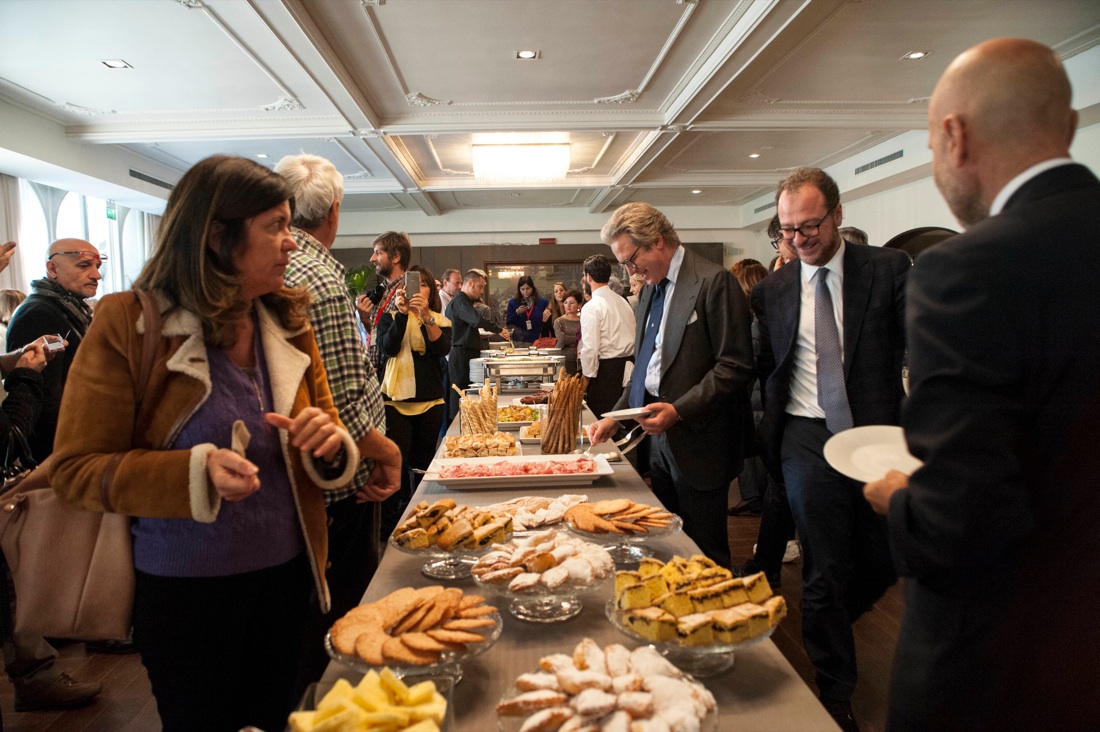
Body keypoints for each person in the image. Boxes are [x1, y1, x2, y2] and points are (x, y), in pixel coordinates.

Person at [48, 155, 372, 732]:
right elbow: (76, 469)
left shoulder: (286, 319)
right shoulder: (130, 322)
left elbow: (328, 440)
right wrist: (194, 473)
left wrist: (331, 447)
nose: (291, 244)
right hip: (186, 595)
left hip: (291, 581)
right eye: (275, 226)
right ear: (218, 235)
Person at [862, 38, 1100, 731]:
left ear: (953, 137)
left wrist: (898, 497)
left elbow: (961, 524)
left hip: (1010, 663)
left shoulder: (966, 269)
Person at [752, 167, 908, 731]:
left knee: (885, 554)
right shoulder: (771, 290)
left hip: (874, 434)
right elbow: (768, 365)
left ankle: (839, 611)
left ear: (838, 215)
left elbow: (913, 351)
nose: (799, 238)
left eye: (810, 225)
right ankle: (835, 690)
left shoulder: (887, 270)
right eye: (788, 229)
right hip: (804, 435)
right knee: (821, 561)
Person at [274, 153, 402, 693]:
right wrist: (387, 453)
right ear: (333, 212)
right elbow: (339, 407)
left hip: (309, 479)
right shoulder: (321, 278)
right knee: (344, 632)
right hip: (339, 484)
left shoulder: (286, 267)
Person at [588, 203, 753, 567]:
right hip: (658, 441)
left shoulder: (713, 281)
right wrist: (618, 415)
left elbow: (735, 366)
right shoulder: (650, 290)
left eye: (630, 260)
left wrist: (679, 411)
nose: (629, 271)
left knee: (705, 553)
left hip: (701, 439)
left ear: (657, 242)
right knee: (669, 544)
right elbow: (647, 368)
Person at [5, 239, 102, 463]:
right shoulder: (39, 313)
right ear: (53, 268)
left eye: (98, 267)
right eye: (84, 265)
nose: (96, 275)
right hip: (58, 453)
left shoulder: (66, 309)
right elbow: (46, 404)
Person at [376, 265, 451, 538]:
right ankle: (389, 527)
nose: (416, 289)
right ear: (402, 290)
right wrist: (402, 316)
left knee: (422, 464)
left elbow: (442, 350)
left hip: (430, 401)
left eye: (422, 284)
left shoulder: (440, 321)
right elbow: (388, 349)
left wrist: (426, 317)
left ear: (431, 291)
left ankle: (424, 519)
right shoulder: (390, 317)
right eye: (411, 284)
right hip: (395, 403)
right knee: (396, 464)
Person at [726, 259, 769, 517]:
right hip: (758, 391)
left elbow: (749, 357)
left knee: (754, 450)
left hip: (756, 392)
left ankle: (753, 498)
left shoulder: (754, 318)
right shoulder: (760, 314)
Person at [578, 254, 636, 420]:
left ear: (588, 277)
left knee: (603, 425)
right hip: (629, 370)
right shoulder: (623, 301)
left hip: (606, 373)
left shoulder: (592, 307)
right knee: (624, 422)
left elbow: (591, 348)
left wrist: (585, 381)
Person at [446, 269, 509, 419]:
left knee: (465, 393)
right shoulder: (460, 302)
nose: (481, 291)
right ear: (470, 283)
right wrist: (498, 329)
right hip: (461, 353)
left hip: (466, 352)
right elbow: (476, 320)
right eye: (480, 287)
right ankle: (457, 430)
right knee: (460, 394)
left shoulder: (463, 301)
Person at [364, 231, 411, 377]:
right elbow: (378, 332)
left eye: (378, 253)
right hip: (378, 372)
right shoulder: (381, 292)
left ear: (396, 257)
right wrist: (365, 318)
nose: (372, 259)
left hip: (399, 374)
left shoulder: (409, 291)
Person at [505, 276, 549, 345]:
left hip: (538, 339)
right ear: (519, 289)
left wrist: (544, 320)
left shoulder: (542, 302)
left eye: (528, 288)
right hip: (519, 340)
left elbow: (548, 325)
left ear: (533, 288)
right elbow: (509, 323)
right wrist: (517, 313)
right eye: (522, 289)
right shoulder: (513, 302)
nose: (525, 292)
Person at [553, 289, 583, 375]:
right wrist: (579, 338)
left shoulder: (583, 320)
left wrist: (570, 339)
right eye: (565, 303)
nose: (568, 305)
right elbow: (562, 339)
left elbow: (586, 338)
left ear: (579, 305)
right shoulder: (559, 321)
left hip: (580, 358)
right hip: (563, 358)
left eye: (571, 303)